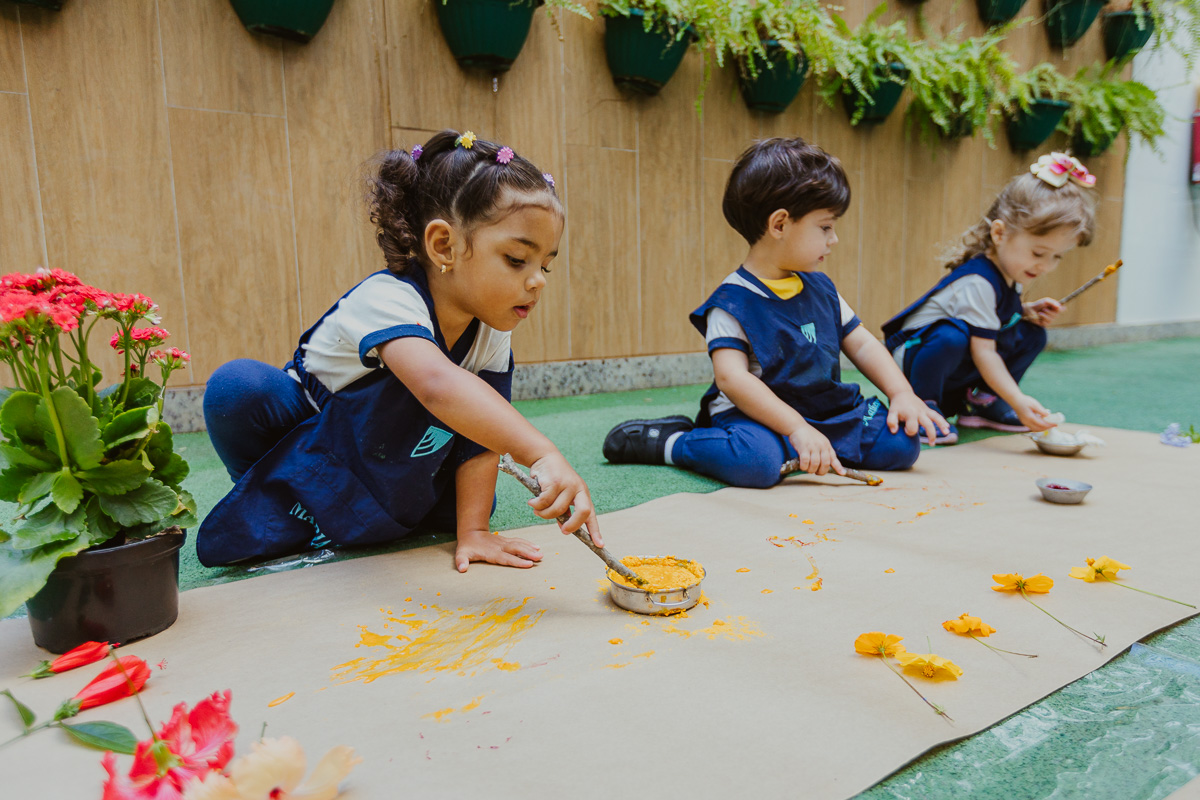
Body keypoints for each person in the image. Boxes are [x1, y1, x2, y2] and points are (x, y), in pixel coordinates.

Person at [198, 130, 600, 571]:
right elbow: (435, 384)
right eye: (517, 260)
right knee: (237, 389)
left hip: (402, 460)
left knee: (476, 463)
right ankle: (272, 492)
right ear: (443, 245)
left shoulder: (491, 332)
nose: (538, 280)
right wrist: (542, 454)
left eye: (546, 265)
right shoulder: (386, 299)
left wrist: (475, 531)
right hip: (325, 441)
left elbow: (482, 437)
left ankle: (395, 509)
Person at [602, 137, 947, 489]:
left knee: (901, 444)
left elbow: (863, 345)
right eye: (825, 227)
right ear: (779, 225)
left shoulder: (821, 287)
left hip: (825, 411)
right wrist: (796, 428)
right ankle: (674, 443)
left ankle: (813, 447)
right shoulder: (733, 301)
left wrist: (902, 393)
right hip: (759, 418)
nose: (834, 239)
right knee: (757, 464)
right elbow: (731, 380)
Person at [880, 152, 1098, 443]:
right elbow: (984, 352)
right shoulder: (978, 281)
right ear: (999, 233)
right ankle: (922, 406)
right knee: (951, 335)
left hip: (952, 365)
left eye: (1057, 256)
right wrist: (1019, 400)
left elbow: (994, 317)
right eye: (1038, 253)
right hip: (914, 361)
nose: (1045, 266)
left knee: (1033, 334)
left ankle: (985, 403)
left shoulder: (1011, 272)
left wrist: (1026, 310)